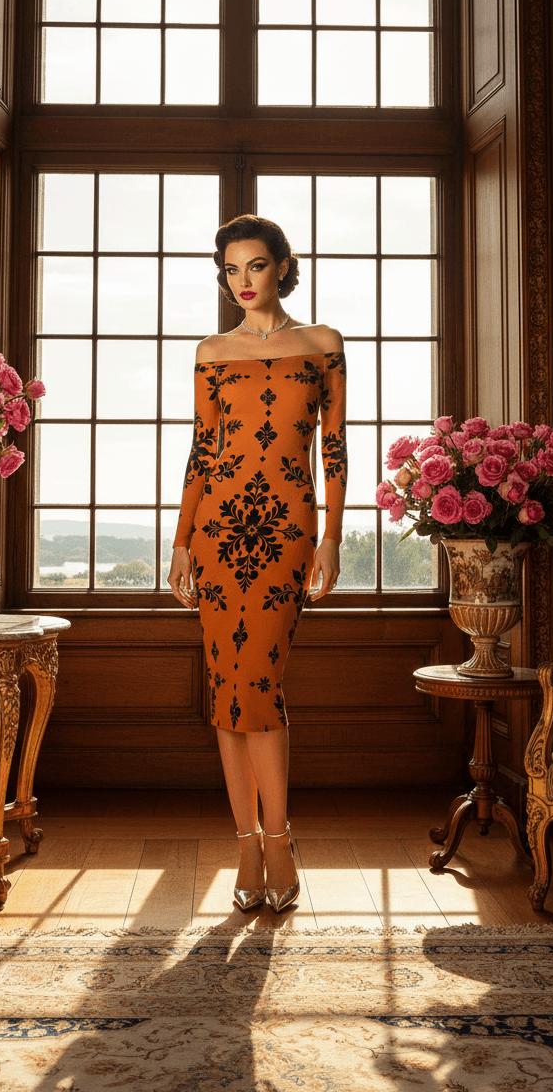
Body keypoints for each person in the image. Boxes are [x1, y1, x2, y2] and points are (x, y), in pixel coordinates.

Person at [168, 214, 348, 913]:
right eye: (231, 269)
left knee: (260, 685)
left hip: (286, 533)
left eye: (256, 265)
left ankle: (278, 839)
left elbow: (333, 449)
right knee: (228, 690)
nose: (243, 280)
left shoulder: (323, 344)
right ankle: (248, 846)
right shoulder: (212, 352)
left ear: (282, 267)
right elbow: (201, 451)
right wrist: (181, 541)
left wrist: (332, 538)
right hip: (218, 533)